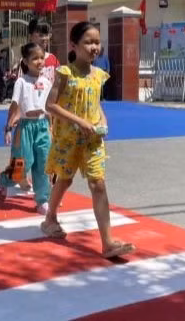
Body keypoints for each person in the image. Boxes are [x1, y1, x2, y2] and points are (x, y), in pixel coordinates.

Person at [41, 21, 134, 258]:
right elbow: (50, 105)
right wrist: (79, 122)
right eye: (88, 42)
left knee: (98, 183)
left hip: (92, 139)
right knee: (65, 180)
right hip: (68, 140)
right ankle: (50, 216)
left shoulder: (98, 75)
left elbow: (95, 104)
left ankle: (108, 242)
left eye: (97, 42)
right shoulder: (65, 73)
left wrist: (102, 120)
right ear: (74, 45)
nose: (94, 47)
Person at [0, 42, 52, 214]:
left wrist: (51, 129)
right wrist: (8, 127)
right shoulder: (21, 82)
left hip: (42, 127)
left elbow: (50, 107)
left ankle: (42, 200)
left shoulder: (47, 82)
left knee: (43, 165)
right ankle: (2, 180)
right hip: (25, 128)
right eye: (35, 58)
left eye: (42, 58)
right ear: (25, 61)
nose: (39, 61)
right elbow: (14, 106)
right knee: (21, 167)